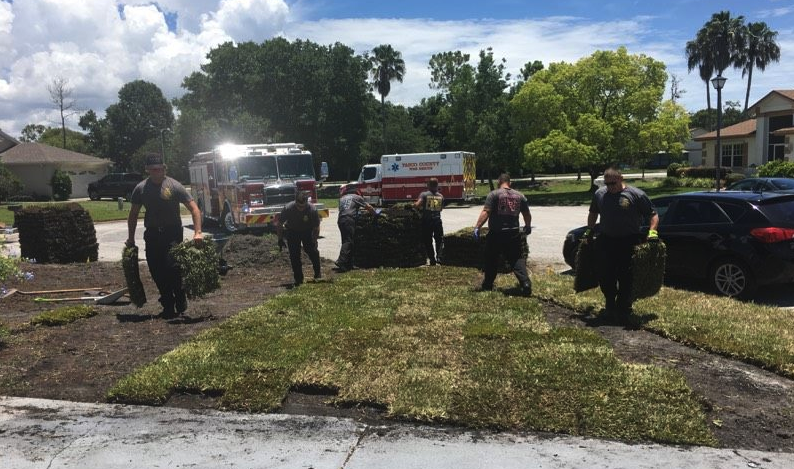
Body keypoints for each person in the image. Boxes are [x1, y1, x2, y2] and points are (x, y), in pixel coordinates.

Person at [126, 153, 203, 318]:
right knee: (156, 270)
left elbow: (195, 209)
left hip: (172, 232)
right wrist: (131, 238)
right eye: (153, 170)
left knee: (173, 267)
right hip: (153, 234)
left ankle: (180, 295)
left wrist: (198, 232)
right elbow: (133, 215)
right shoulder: (140, 189)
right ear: (147, 170)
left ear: (164, 169)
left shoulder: (174, 186)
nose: (156, 172)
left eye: (159, 169)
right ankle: (167, 304)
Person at [585, 167, 659, 320]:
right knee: (605, 274)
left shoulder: (636, 195)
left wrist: (652, 231)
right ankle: (610, 304)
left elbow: (653, 214)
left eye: (613, 183)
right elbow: (593, 212)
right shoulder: (600, 194)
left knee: (626, 276)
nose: (610, 187)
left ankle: (624, 307)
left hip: (628, 240)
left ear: (621, 178)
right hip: (606, 239)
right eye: (607, 184)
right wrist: (589, 229)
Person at [473, 173, 532, 296]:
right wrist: (527, 226)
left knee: (491, 259)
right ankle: (525, 283)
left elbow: (486, 211)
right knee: (516, 259)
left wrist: (477, 226)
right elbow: (526, 213)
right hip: (513, 232)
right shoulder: (520, 196)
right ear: (509, 183)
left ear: (499, 182)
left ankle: (488, 284)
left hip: (496, 233)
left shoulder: (494, 194)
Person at [277, 191, 322, 287]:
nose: (301, 209)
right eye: (298, 206)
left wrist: (314, 240)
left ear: (306, 202)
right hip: (293, 232)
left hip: (307, 231)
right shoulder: (288, 208)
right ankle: (298, 279)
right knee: (294, 256)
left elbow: (316, 227)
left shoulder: (312, 210)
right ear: (295, 202)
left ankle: (318, 273)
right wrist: (280, 239)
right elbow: (280, 224)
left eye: (303, 206)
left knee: (312, 251)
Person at [335, 185, 378, 273]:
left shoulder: (342, 198)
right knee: (348, 241)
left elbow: (346, 209)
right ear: (357, 192)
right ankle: (341, 261)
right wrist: (376, 214)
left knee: (348, 241)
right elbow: (369, 208)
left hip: (341, 220)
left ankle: (349, 264)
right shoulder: (357, 197)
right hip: (349, 220)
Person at [413, 178, 444, 265]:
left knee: (427, 240)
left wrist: (413, 206)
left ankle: (432, 259)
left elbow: (418, 204)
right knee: (439, 240)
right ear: (437, 185)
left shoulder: (424, 194)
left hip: (427, 221)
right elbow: (441, 209)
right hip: (437, 220)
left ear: (428, 185)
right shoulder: (440, 196)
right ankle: (439, 257)